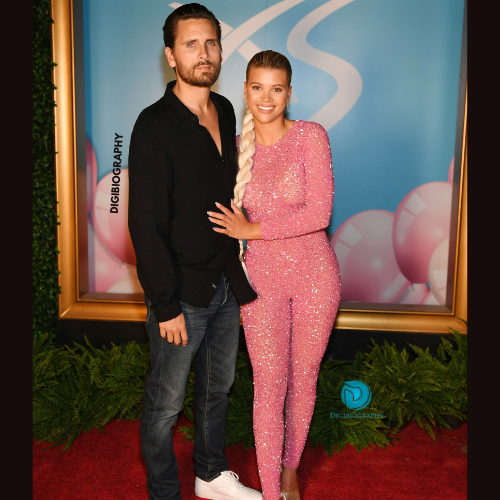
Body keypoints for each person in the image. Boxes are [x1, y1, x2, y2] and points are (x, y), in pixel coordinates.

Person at [128, 4, 261, 500]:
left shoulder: (226, 109)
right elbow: (143, 222)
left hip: (224, 282)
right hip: (181, 294)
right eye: (190, 44)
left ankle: (210, 474)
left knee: (216, 389)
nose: (203, 54)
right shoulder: (153, 126)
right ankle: (164, 492)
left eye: (210, 43)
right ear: (170, 55)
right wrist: (164, 305)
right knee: (165, 404)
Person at [208, 50, 342, 500]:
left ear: (289, 93)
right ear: (244, 90)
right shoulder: (232, 147)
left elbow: (319, 212)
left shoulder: (310, 136)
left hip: (315, 277)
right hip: (260, 280)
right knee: (268, 386)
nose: (267, 97)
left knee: (304, 378)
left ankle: (290, 470)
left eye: (277, 88)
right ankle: (270, 492)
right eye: (257, 87)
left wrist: (253, 229)